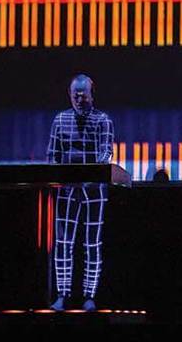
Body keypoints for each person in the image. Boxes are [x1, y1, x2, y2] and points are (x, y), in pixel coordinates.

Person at [46, 74, 114, 312]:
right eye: (75, 93)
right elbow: (52, 155)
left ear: (92, 93)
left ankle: (89, 295)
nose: (79, 97)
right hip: (66, 189)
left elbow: (106, 153)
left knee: (92, 243)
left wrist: (90, 177)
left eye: (83, 93)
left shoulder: (103, 120)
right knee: (63, 242)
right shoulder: (60, 120)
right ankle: (62, 293)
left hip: (94, 191)